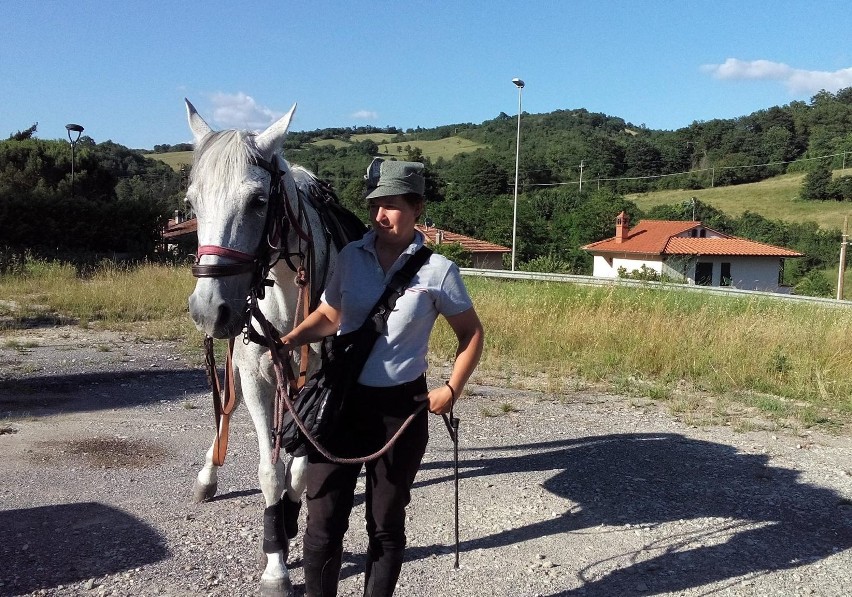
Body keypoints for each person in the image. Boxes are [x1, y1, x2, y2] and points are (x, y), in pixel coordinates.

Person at [277, 158, 484, 596]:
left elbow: (471, 334)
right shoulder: (351, 256)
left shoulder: (439, 271)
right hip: (339, 404)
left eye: (391, 205)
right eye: (375, 205)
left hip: (401, 412)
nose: (379, 216)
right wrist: (289, 339)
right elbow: (330, 315)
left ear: (417, 208)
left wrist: (451, 388)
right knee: (323, 523)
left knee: (386, 525)